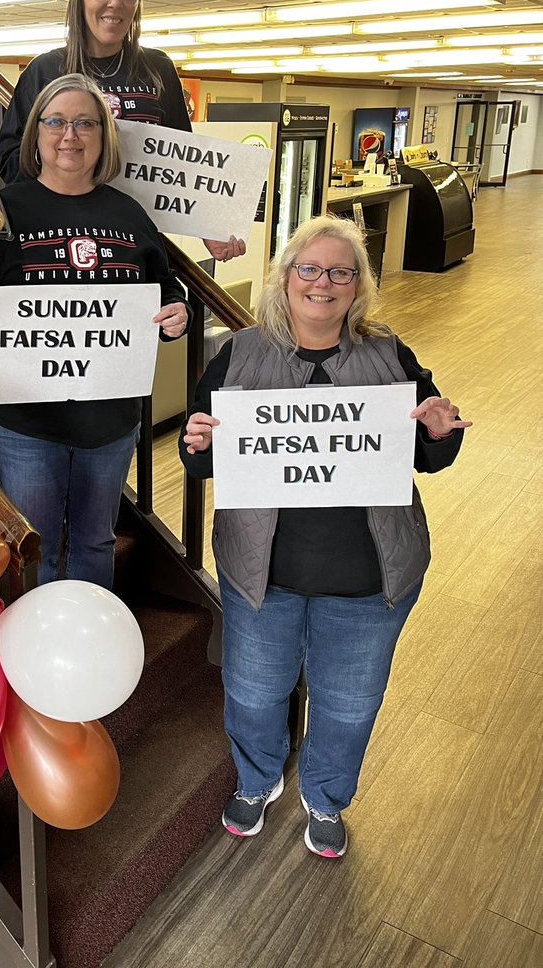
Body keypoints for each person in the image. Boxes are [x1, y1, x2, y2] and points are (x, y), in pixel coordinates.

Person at [180, 214, 469, 858]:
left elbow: (425, 452)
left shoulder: (388, 353)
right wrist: (196, 443)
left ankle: (326, 796)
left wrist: (438, 428)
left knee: (348, 703)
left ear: (358, 286)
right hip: (263, 573)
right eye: (309, 269)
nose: (323, 283)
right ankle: (257, 782)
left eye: (340, 272)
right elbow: (202, 454)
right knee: (254, 692)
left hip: (369, 577)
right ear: (284, 280)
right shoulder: (239, 353)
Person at [0, 74, 191, 590]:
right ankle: (35, 660)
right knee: (30, 546)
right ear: (36, 133)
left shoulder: (128, 213)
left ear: (103, 137)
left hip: (109, 422)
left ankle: (88, 655)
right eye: (57, 121)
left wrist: (177, 314)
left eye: (86, 123)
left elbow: (165, 290)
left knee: (96, 542)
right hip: (26, 424)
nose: (71, 135)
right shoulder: (3, 209)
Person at [0, 0, 244, 264]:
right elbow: (12, 161)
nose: (116, 2)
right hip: (57, 238)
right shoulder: (45, 71)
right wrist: (69, 170)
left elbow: (183, 163)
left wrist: (209, 225)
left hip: (135, 241)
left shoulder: (158, 69)